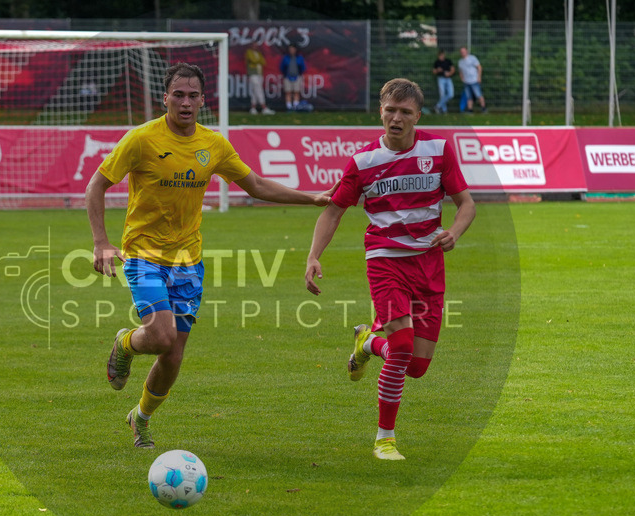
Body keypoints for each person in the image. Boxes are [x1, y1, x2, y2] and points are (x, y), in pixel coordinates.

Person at [86, 62, 333, 449]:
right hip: (143, 254)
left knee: (173, 355)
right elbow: (96, 185)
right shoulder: (141, 139)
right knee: (163, 336)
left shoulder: (213, 144)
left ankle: (142, 418)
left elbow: (255, 184)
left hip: (189, 261)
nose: (186, 103)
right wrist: (101, 242)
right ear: (164, 97)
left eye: (193, 96)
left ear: (203, 99)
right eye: (178, 95)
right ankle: (126, 344)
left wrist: (311, 197)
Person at [304, 78, 476, 461]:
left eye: (405, 112)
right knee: (400, 349)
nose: (396, 119)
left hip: (429, 263)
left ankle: (367, 341)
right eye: (390, 110)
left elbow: (466, 204)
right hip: (385, 261)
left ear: (418, 116)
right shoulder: (363, 162)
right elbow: (334, 210)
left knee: (416, 367)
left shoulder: (438, 150)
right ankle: (385, 438)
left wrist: (454, 232)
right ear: (379, 111)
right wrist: (314, 256)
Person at [245, 40, 275, 115]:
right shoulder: (249, 52)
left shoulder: (259, 53)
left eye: (256, 45)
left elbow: (263, 62)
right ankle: (264, 107)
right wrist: (258, 61)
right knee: (258, 89)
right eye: (254, 45)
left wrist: (258, 60)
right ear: (251, 46)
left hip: (259, 73)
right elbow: (253, 60)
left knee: (255, 91)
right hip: (253, 73)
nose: (255, 46)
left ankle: (253, 108)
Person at [457, 46, 485, 113]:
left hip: (474, 80)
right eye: (461, 52)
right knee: (469, 96)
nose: (463, 53)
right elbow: (460, 71)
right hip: (466, 82)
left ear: (466, 51)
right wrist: (462, 79)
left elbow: (479, 67)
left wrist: (479, 77)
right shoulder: (460, 62)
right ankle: (470, 110)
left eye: (464, 51)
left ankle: (483, 108)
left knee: (478, 95)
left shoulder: (472, 58)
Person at [279, 44, 306, 111]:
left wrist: (299, 73)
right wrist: (285, 74)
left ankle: (295, 106)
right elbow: (282, 67)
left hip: (297, 77)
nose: (291, 50)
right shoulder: (286, 58)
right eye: (290, 49)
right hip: (287, 77)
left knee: (296, 91)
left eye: (293, 49)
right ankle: (289, 106)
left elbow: (303, 67)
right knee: (288, 92)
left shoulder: (299, 58)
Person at [432, 50, 455, 114]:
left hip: (448, 79)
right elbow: (434, 71)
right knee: (442, 95)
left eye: (442, 55)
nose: (441, 57)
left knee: (451, 94)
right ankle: (444, 110)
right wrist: (437, 70)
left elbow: (453, 69)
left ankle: (438, 106)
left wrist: (449, 73)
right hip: (441, 79)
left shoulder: (448, 61)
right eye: (440, 56)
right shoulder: (437, 62)